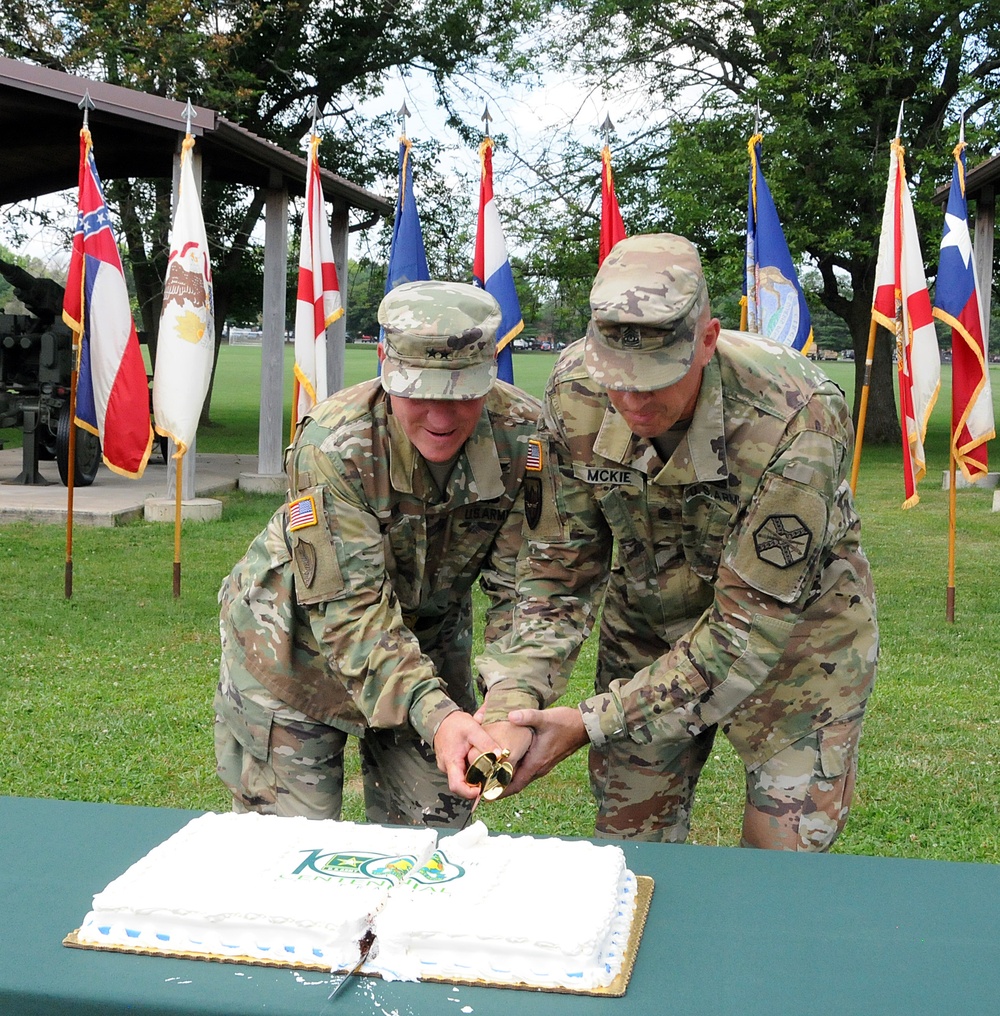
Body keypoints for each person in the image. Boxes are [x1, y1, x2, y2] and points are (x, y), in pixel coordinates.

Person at [476, 234, 878, 850]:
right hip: (647, 633)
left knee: (780, 867)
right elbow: (558, 570)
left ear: (709, 340)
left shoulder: (796, 416)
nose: (632, 400)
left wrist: (590, 722)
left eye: (656, 378)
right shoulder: (575, 394)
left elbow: (745, 631)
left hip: (796, 651)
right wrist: (512, 699)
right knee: (629, 853)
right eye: (616, 378)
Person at [214, 279, 541, 827]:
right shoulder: (334, 445)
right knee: (290, 856)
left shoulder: (525, 439)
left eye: (461, 394)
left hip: (426, 646)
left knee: (436, 844)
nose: (441, 417)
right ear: (386, 365)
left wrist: (508, 703)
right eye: (420, 392)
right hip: (293, 650)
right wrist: (438, 716)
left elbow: (527, 590)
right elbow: (350, 615)